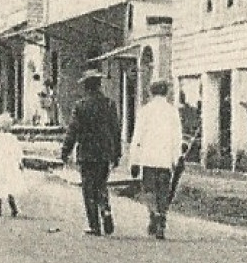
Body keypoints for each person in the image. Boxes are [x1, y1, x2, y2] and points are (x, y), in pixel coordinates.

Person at [60, 69, 121, 236]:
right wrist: (117, 154)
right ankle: (106, 209)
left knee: (88, 189)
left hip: (86, 152)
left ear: (86, 86)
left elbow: (72, 131)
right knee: (101, 184)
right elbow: (116, 130)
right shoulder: (109, 104)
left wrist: (65, 151)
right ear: (99, 85)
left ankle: (94, 225)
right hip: (104, 152)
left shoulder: (80, 106)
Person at [128, 80, 185, 240]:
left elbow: (137, 136)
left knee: (149, 190)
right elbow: (177, 137)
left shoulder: (145, 111)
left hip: (148, 159)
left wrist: (134, 161)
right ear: (166, 92)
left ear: (151, 92)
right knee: (163, 191)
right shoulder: (172, 112)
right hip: (165, 160)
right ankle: (161, 217)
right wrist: (177, 157)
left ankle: (154, 214)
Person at [0, 113, 25, 218]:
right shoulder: (12, 138)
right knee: (10, 186)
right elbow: (18, 151)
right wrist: (20, 162)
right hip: (9, 165)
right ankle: (14, 209)